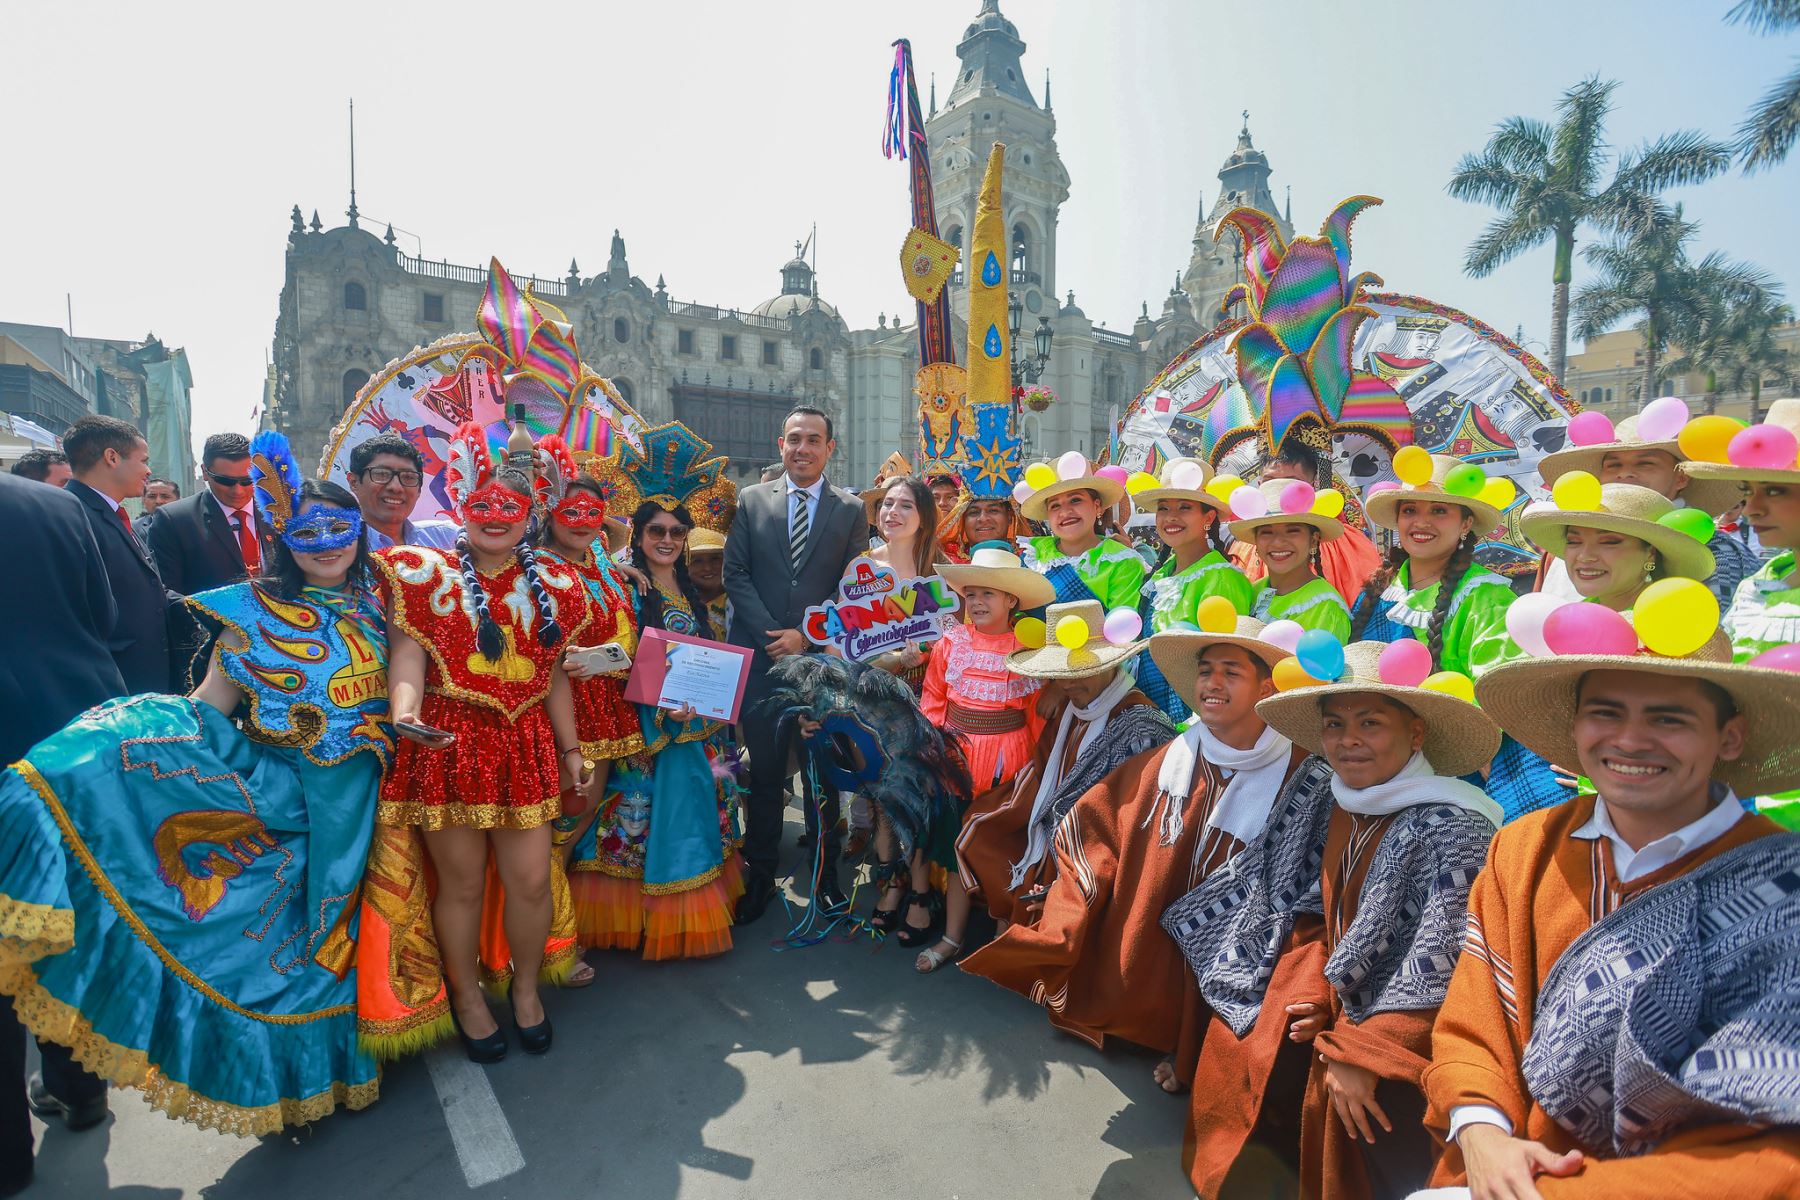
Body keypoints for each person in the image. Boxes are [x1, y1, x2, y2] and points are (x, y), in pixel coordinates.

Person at [0, 436, 395, 1140]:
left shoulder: (393, 607)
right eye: (307, 531)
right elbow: (207, 707)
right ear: (283, 536)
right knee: (304, 950)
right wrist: (116, 744)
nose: (326, 544)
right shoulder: (248, 617)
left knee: (383, 930)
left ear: (360, 533)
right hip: (293, 805)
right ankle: (316, 1074)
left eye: (340, 528)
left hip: (383, 802)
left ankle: (392, 1036)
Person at [1418, 631, 1800, 1199]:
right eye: (1606, 713)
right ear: (1575, 728)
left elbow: (1773, 1147)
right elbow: (1474, 1027)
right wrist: (1481, 1133)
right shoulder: (1524, 849)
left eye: (1669, 720)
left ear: (1729, 737)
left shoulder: (1783, 889)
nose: (1630, 740)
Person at [963, 611, 1308, 1072]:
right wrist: (1065, 919)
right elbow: (1098, 822)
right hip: (1158, 923)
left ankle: (1190, 1049)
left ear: (1266, 688)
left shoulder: (1302, 775)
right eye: (1206, 671)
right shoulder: (1172, 760)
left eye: (1232, 672)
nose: (1212, 682)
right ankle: (1163, 1033)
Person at [1249, 641, 1503, 1199]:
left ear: (1416, 734)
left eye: (1371, 723)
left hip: (1420, 1044)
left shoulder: (1453, 827)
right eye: (1335, 724)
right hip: (1355, 1017)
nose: (1349, 740)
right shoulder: (1349, 799)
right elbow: (1322, 909)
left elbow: (1448, 965)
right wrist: (1322, 994)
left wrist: (1367, 1051)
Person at [378, 420, 595, 1061]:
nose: (495, 517)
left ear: (530, 515)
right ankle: (469, 999)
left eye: (510, 507)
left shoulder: (556, 586)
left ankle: (526, 992)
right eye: (482, 505)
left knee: (529, 881)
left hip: (525, 745)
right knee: (463, 885)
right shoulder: (421, 574)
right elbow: (407, 656)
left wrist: (572, 750)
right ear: (460, 506)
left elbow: (555, 677)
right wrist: (406, 711)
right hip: (448, 743)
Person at [0, 471, 124, 1194]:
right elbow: (100, 615)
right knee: (59, 918)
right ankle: (80, 1088)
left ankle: (9, 1154)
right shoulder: (54, 504)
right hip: (62, 740)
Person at [566, 497, 745, 960]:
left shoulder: (685, 588)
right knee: (640, 821)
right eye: (656, 532)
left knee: (685, 817)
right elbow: (620, 658)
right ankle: (632, 922)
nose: (667, 541)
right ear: (639, 535)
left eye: (676, 533)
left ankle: (662, 918)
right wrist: (615, 562)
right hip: (648, 728)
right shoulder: (628, 587)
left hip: (694, 726)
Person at [724, 405, 869, 923]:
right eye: (794, 439)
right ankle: (760, 875)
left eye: (814, 440)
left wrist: (805, 635)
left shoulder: (850, 509)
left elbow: (851, 588)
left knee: (821, 776)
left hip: (818, 665)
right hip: (763, 664)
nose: (802, 448)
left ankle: (827, 877)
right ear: (780, 443)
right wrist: (773, 635)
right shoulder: (751, 499)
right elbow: (735, 571)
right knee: (763, 775)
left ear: (831, 448)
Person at [955, 599, 1176, 929]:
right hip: (1056, 831)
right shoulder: (1074, 708)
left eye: (1081, 672)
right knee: (982, 827)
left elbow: (1139, 819)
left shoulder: (1144, 727)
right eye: (1060, 675)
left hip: (1098, 852)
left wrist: (1069, 840)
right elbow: (1042, 770)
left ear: (1110, 665)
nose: (1069, 683)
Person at [907, 543, 1053, 970]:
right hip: (958, 761)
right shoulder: (952, 643)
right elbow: (934, 698)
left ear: (1011, 600)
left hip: (1009, 763)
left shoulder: (1027, 650)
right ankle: (952, 936)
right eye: (971, 594)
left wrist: (1038, 768)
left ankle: (1000, 936)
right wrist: (934, 749)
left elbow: (1035, 717)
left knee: (1000, 849)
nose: (977, 601)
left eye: (988, 594)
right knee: (958, 849)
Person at [1534, 411, 1748, 605]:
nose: (1625, 474)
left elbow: (1715, 637)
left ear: (1681, 477)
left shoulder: (1716, 552)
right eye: (1613, 465)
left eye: (1645, 464)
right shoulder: (1558, 552)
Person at [1352, 455, 1517, 676]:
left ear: (1466, 524)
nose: (1420, 522)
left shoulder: (1488, 599)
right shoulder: (1377, 591)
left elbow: (1497, 692)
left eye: (1439, 510)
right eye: (1409, 510)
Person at [1130, 457, 1258, 720]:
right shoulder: (1160, 574)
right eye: (1164, 508)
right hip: (1148, 711)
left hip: (1196, 717)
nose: (1171, 517)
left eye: (1184, 507)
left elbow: (1230, 662)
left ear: (1208, 517)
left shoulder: (1223, 578)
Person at [61, 414, 177, 694]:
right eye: (143, 460)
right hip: (110, 684)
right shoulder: (72, 514)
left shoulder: (114, 514)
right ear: (112, 457)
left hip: (142, 675)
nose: (148, 471)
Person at [1519, 483, 1716, 614]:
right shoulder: (1577, 613)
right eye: (1573, 541)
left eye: (1609, 542)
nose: (1585, 556)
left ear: (1651, 553)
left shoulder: (1671, 617)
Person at [1228, 439, 1383, 606]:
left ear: (1312, 486)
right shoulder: (1244, 547)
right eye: (1270, 481)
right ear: (1259, 485)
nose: (1280, 492)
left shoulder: (1348, 546)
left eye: (1291, 482)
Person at [1016, 456, 1146, 610]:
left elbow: (1125, 626)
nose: (1065, 512)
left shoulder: (1123, 561)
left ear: (1097, 506)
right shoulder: (1033, 555)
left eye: (1075, 500)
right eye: (1055, 505)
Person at [1230, 479, 1353, 639]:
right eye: (1267, 532)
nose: (1278, 542)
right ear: (1256, 542)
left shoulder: (1325, 608)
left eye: (1292, 531)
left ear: (1313, 540)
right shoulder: (1252, 592)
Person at [145, 432, 264, 596]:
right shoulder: (175, 521)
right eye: (225, 481)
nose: (238, 490)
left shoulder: (280, 512)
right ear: (205, 472)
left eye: (247, 480)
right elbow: (165, 591)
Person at [345, 431, 460, 552]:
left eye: (408, 477)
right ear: (354, 482)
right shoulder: (339, 552)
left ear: (419, 489)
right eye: (382, 474)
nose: (396, 487)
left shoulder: (447, 538)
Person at [687, 527, 730, 630]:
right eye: (697, 561)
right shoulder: (677, 604)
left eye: (715, 559)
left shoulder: (738, 602)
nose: (707, 568)